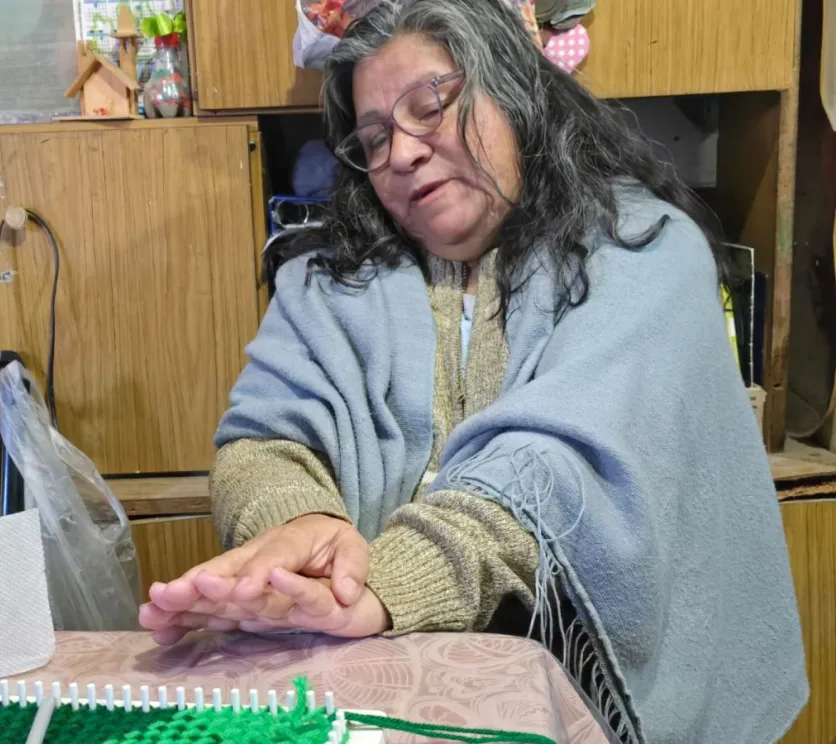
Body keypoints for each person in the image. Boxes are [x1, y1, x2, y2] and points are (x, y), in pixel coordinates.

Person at [140, 1, 807, 741]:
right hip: (373, 698)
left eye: (430, 106)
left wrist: (386, 583)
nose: (401, 152)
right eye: (374, 137)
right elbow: (261, 442)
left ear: (515, 89)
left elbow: (553, 472)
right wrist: (303, 525)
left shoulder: (646, 250)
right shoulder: (324, 282)